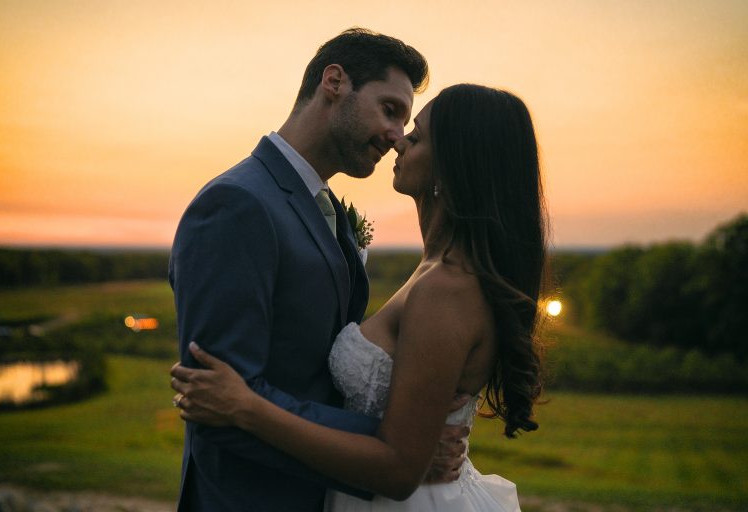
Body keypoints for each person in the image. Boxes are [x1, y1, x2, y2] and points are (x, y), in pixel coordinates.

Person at [171, 83, 548, 512]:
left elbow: (400, 467)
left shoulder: (446, 289)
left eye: (417, 136)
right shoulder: (434, 270)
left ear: (454, 167)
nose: (398, 141)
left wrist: (246, 406)